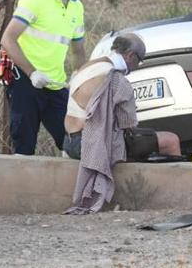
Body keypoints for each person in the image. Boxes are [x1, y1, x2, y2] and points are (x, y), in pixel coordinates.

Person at [64, 34, 180, 214]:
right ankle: (175, 199)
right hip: (89, 145)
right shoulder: (115, 79)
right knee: (170, 140)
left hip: (70, 141)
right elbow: (128, 124)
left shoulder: (91, 66)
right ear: (130, 56)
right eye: (139, 61)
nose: (136, 67)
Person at [1, 0, 88, 155]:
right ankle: (21, 187)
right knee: (24, 146)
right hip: (25, 82)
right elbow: (7, 39)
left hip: (56, 85)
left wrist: (79, 77)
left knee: (74, 143)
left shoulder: (77, 7)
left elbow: (78, 49)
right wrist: (32, 73)